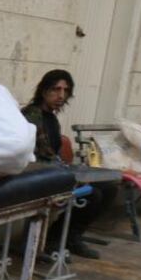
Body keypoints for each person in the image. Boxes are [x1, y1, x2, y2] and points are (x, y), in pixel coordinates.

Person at [22, 70, 114, 260]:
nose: (61, 95)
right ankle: (53, 240)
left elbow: (53, 154)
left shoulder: (52, 118)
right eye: (56, 89)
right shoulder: (31, 115)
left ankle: (71, 237)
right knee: (92, 194)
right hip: (34, 175)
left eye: (65, 90)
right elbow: (34, 155)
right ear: (44, 90)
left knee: (110, 188)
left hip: (53, 171)